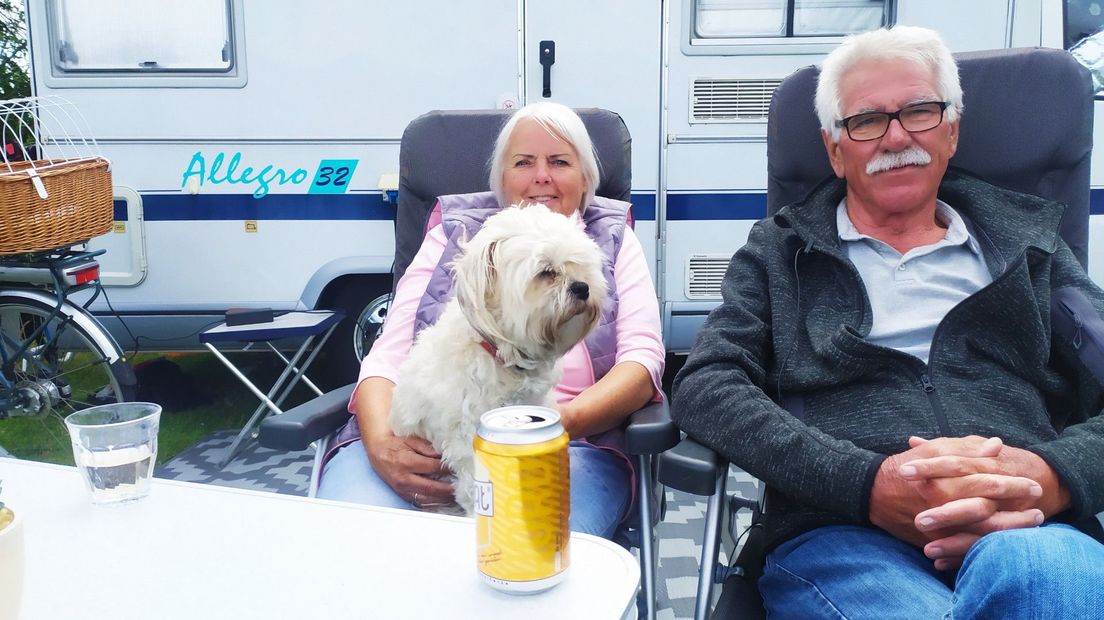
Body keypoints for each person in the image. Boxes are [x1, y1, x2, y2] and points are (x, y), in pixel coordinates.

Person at [672, 26, 1104, 618]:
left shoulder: (1031, 244)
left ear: (951, 130)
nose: (897, 136)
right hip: (842, 534)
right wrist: (866, 485)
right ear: (834, 149)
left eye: (920, 111)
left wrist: (1051, 476)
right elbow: (705, 385)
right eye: (867, 121)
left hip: (1031, 527)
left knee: (1035, 577)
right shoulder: (779, 253)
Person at [318, 102, 665, 540]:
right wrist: (382, 445)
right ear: (502, 177)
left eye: (559, 161)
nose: (541, 176)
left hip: (569, 446)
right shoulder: (455, 235)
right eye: (524, 162)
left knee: (518, 553)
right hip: (415, 438)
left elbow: (642, 362)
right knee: (349, 540)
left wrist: (556, 423)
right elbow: (386, 359)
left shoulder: (612, 238)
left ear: (585, 178)